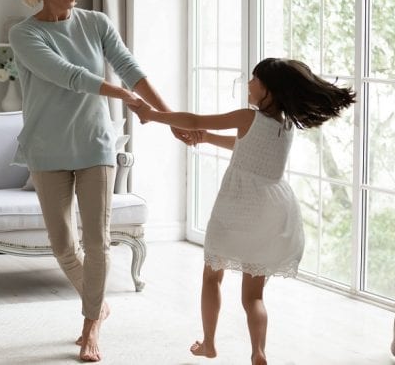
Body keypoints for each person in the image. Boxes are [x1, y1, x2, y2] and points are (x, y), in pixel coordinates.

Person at [8, 0, 192, 362]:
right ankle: (97, 302)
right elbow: (67, 75)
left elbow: (128, 65)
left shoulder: (96, 23)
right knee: (62, 245)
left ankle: (91, 324)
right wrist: (123, 96)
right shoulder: (23, 34)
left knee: (98, 242)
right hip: (46, 147)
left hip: (95, 144)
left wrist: (165, 115)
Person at [133, 58, 356, 364]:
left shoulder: (246, 117)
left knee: (212, 277)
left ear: (269, 89)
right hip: (272, 210)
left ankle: (209, 343)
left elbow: (195, 119)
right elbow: (246, 146)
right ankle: (258, 352)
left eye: (254, 78)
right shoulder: (286, 125)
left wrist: (153, 114)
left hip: (236, 207)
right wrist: (208, 139)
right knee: (254, 296)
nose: (249, 83)